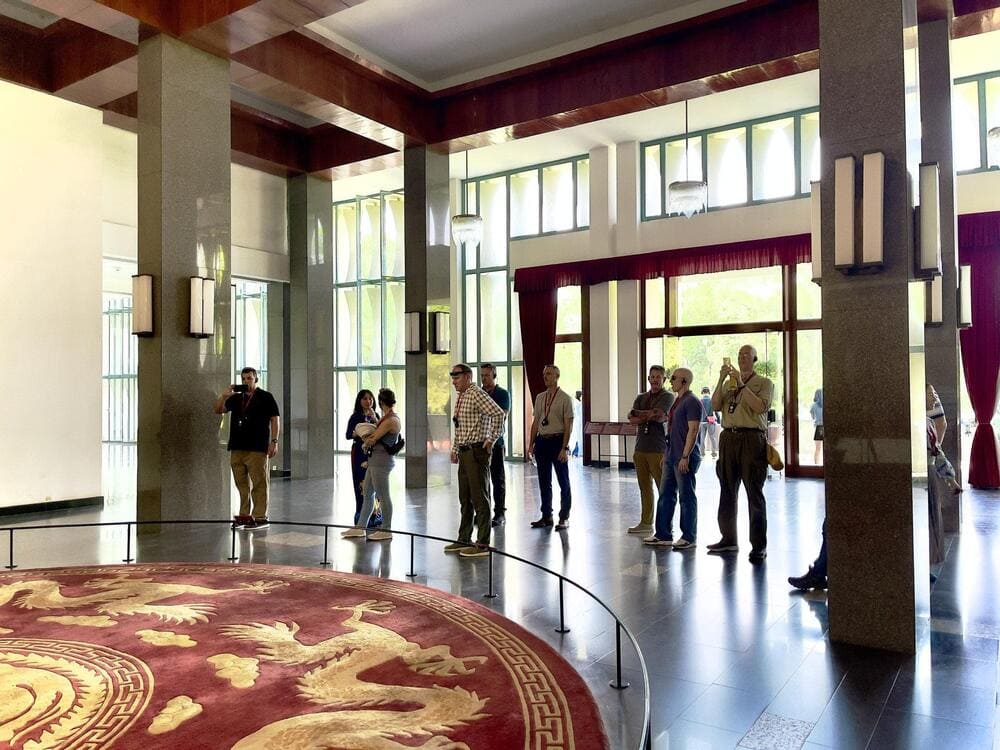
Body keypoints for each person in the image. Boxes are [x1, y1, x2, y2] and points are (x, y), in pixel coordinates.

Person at [708, 345, 773, 562]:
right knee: (726, 490)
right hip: (728, 438)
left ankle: (758, 546)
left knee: (754, 492)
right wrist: (720, 379)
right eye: (739, 356)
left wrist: (743, 384)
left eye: (746, 355)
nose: (742, 358)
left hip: (752, 439)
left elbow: (760, 407)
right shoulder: (729, 384)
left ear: (755, 359)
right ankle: (728, 539)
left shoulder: (764, 383)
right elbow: (716, 405)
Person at [448, 363, 506, 558]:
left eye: (456, 377)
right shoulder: (462, 396)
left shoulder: (476, 393)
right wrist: (455, 449)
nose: (454, 381)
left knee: (480, 498)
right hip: (465, 452)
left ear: (467, 377)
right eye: (452, 377)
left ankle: (482, 543)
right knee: (465, 497)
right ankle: (464, 537)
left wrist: (492, 438)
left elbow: (498, 413)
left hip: (476, 452)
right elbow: (460, 427)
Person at [214, 367, 280, 530]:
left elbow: (275, 419)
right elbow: (217, 410)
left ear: (256, 379)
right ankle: (244, 515)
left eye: (249, 378)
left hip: (257, 447)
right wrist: (224, 396)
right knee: (241, 484)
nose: (246, 381)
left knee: (259, 483)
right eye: (243, 379)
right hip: (237, 446)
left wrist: (274, 441)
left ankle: (260, 517)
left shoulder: (266, 397)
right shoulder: (236, 399)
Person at [645, 368, 702, 549]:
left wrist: (685, 456)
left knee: (686, 496)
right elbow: (671, 430)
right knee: (665, 495)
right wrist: (666, 454)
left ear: (684, 381)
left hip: (683, 457)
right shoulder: (678, 401)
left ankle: (689, 536)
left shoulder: (692, 401)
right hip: (671, 455)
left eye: (674, 378)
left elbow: (693, 431)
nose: (671, 381)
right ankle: (663, 533)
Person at [342, 388, 400, 541]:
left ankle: (386, 529)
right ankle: (360, 527)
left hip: (381, 462)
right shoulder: (385, 418)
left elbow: (373, 438)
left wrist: (366, 440)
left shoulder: (391, 420)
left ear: (380, 402)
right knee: (368, 494)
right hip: (374, 461)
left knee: (383, 495)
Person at [626, 365, 674, 535]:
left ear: (664, 380)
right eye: (652, 377)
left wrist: (641, 414)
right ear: (648, 379)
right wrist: (648, 415)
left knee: (663, 488)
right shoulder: (641, 397)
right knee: (644, 487)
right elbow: (631, 418)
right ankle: (646, 522)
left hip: (658, 448)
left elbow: (659, 414)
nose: (655, 380)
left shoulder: (668, 396)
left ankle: (665, 525)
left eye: (658, 377)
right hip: (640, 448)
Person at [528, 365, 575, 531]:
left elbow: (568, 425)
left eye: (548, 374)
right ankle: (546, 515)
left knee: (563, 481)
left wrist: (564, 447)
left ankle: (564, 517)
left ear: (557, 376)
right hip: (542, 442)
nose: (545, 376)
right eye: (543, 374)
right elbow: (535, 422)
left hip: (557, 441)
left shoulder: (564, 398)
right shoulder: (540, 397)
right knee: (544, 481)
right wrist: (531, 444)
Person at [345, 389, 383, 528]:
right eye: (365, 399)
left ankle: (376, 516)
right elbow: (348, 434)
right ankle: (361, 517)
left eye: (370, 399)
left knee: (376, 483)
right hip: (360, 452)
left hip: (374, 452)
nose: (368, 401)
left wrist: (375, 419)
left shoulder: (376, 415)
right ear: (360, 401)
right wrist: (358, 434)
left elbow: (381, 431)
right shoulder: (355, 417)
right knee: (361, 484)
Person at [480, 363, 511, 527]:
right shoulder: (479, 393)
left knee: (497, 479)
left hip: (496, 443)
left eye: (486, 375)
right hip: (480, 443)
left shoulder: (502, 394)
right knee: (482, 481)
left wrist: (491, 437)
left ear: (494, 375)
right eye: (482, 375)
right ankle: (483, 513)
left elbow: (501, 417)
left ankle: (499, 513)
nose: (484, 378)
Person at [699, 386, 719, 458]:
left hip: (702, 422)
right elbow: (716, 411)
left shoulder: (700, 401)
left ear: (702, 392)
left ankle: (702, 453)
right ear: (708, 392)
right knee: (712, 437)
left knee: (702, 438)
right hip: (710, 422)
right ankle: (714, 453)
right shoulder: (711, 400)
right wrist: (718, 420)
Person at [810, 388, 824, 464]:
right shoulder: (826, 404)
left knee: (818, 448)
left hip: (819, 427)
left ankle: (816, 465)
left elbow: (812, 417)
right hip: (825, 426)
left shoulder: (813, 406)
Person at [571, 391, 584, 457]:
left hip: (579, 419)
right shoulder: (577, 403)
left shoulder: (577, 402)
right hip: (578, 420)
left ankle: (578, 450)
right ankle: (578, 450)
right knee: (578, 435)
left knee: (579, 435)